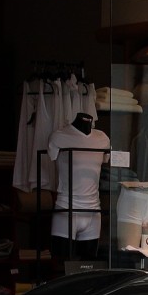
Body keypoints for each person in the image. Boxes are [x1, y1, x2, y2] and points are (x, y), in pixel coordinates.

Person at [47, 111, 111, 260]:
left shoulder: (102, 138)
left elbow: (105, 161)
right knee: (61, 266)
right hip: (66, 208)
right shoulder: (59, 137)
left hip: (93, 211)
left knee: (88, 268)